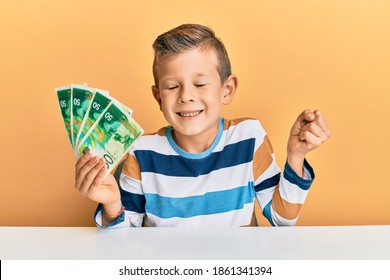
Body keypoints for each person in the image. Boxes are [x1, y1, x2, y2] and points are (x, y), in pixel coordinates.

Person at [75, 23, 331, 227]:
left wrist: (296, 156)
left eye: (199, 84)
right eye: (173, 86)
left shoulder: (248, 139)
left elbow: (282, 220)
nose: (186, 96)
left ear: (226, 90)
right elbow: (124, 241)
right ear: (159, 98)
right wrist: (111, 205)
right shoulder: (142, 152)